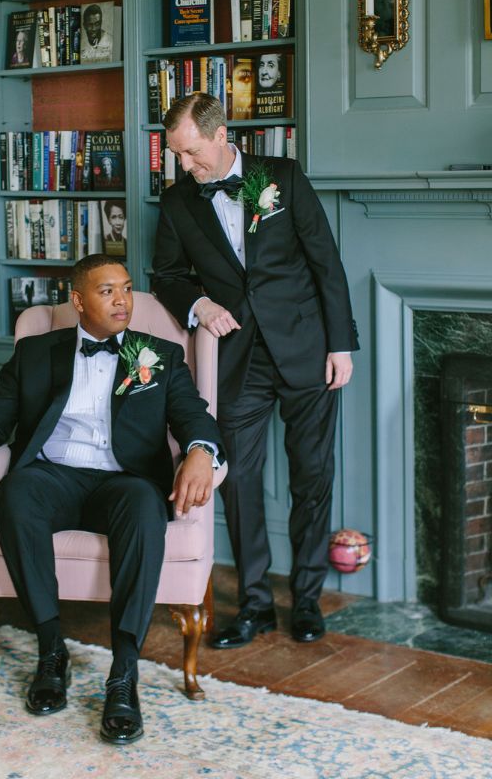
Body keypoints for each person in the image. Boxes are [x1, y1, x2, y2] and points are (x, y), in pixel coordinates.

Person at [0, 254, 222, 744]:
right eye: (107, 291)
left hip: (124, 481)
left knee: (143, 507)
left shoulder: (159, 354)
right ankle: (52, 650)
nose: (123, 300)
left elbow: (195, 418)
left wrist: (201, 451)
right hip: (54, 476)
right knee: (17, 494)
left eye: (126, 288)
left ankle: (123, 672)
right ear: (77, 301)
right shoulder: (37, 352)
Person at [152, 92, 358, 649]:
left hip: (307, 349)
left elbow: (325, 262)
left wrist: (341, 345)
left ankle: (308, 600)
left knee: (311, 478)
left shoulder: (283, 178)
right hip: (237, 357)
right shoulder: (177, 203)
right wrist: (200, 306)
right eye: (178, 156)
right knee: (238, 481)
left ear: (222, 136)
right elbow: (165, 275)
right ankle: (256, 605)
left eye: (192, 154)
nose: (185, 166)